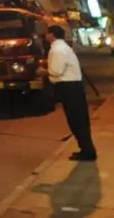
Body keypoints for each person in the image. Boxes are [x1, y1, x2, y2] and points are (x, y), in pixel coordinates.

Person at [38, 26, 97, 161]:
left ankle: (88, 152)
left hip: (69, 89)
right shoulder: (63, 47)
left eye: (46, 33)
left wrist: (44, 71)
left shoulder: (57, 49)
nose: (45, 36)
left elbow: (56, 71)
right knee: (79, 121)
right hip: (73, 88)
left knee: (77, 122)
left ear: (51, 35)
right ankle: (86, 150)